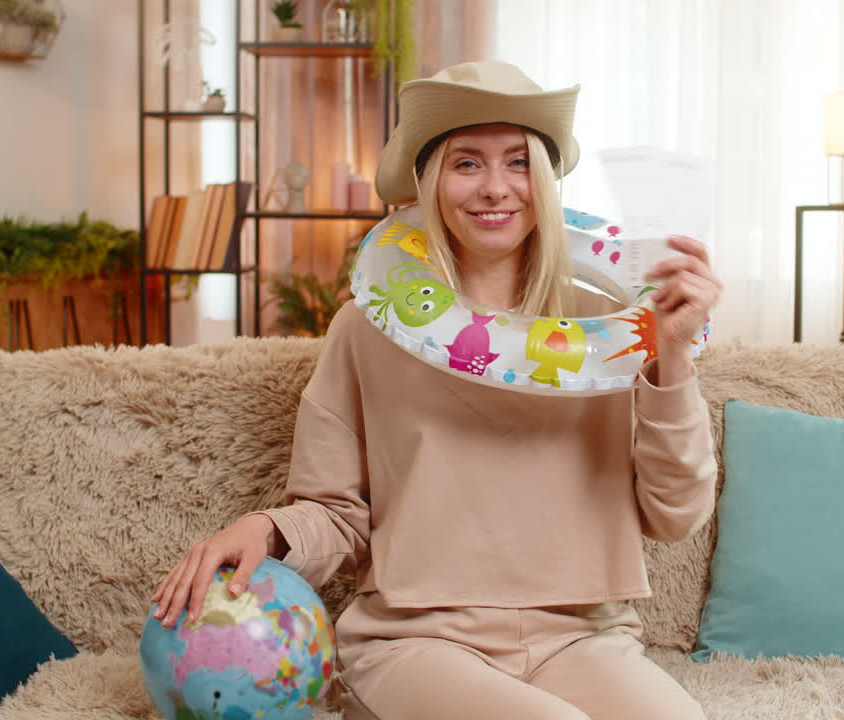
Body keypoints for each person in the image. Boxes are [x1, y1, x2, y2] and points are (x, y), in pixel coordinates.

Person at [153, 60, 721, 720]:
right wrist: (268, 529)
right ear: (430, 182)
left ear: (542, 178)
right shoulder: (367, 329)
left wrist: (671, 359)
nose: (495, 189)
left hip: (581, 636)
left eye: (516, 162)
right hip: (417, 642)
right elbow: (337, 513)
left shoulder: (607, 337)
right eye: (467, 163)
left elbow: (675, 514)